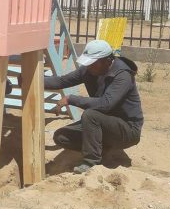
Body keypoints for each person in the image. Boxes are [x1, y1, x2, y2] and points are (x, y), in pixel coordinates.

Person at [44, 39, 143, 174]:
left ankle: (91, 163)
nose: (89, 67)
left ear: (107, 61)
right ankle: (104, 151)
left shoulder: (122, 75)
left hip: (127, 130)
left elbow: (106, 104)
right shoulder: (89, 70)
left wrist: (71, 99)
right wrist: (34, 79)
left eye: (92, 63)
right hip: (103, 122)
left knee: (90, 115)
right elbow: (62, 81)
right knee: (61, 137)